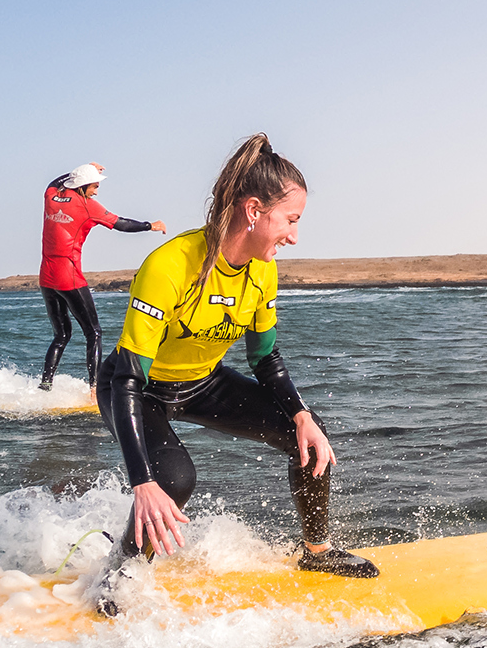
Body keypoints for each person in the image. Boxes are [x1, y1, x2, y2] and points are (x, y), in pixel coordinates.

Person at [95, 133, 377, 599]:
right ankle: (119, 573)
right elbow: (127, 376)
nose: (294, 235)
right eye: (290, 220)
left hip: (202, 382)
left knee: (307, 436)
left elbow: (266, 359)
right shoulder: (171, 265)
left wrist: (303, 416)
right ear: (253, 212)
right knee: (174, 479)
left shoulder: (263, 270)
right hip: (136, 388)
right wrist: (141, 481)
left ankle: (317, 551)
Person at [39, 163, 165, 391]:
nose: (96, 191)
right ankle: (95, 388)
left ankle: (45, 385)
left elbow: (53, 183)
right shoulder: (88, 206)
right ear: (83, 186)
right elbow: (121, 224)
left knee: (61, 335)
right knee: (93, 332)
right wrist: (150, 225)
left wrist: (81, 170)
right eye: (95, 186)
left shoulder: (51, 198)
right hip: (70, 277)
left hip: (46, 278)